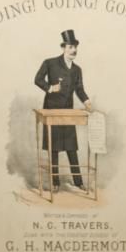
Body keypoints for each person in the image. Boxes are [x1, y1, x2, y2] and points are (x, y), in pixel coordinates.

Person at [34, 29, 92, 193]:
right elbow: (37, 79)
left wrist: (86, 101)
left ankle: (78, 182)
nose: (74, 50)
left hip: (68, 112)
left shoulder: (77, 70)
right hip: (52, 112)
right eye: (70, 47)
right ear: (63, 48)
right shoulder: (50, 63)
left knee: (71, 147)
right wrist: (49, 88)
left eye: (75, 47)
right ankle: (55, 183)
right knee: (53, 148)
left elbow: (79, 89)